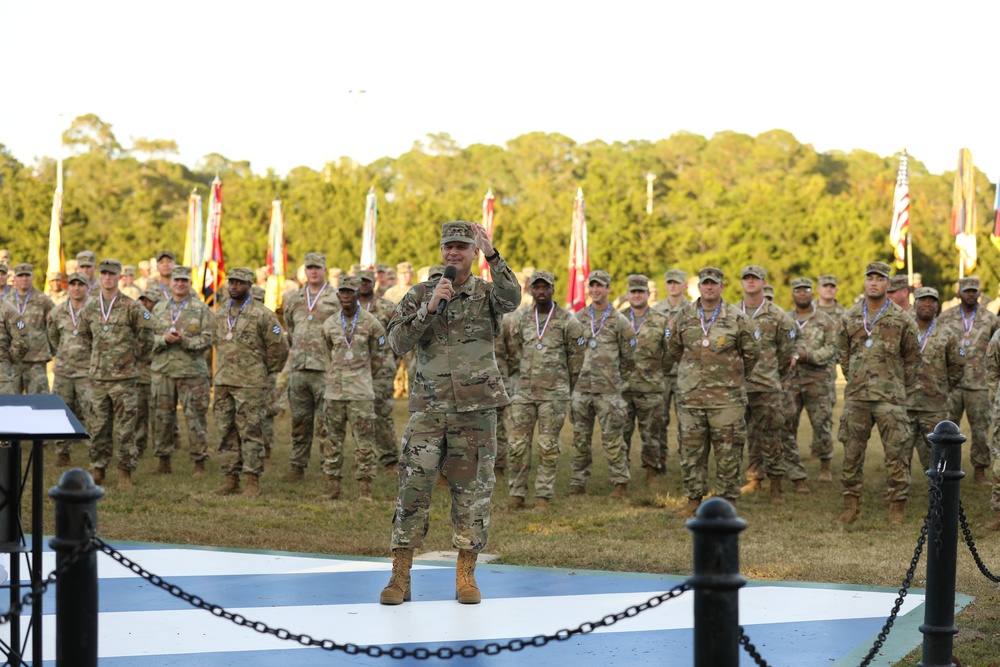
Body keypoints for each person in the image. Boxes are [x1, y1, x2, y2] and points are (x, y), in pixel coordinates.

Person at [380, 221, 519, 607]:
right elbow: (396, 341)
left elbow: (513, 298)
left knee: (472, 493)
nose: (454, 253)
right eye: (448, 247)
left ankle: (466, 576)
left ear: (473, 252)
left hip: (475, 412)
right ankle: (400, 576)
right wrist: (428, 309)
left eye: (462, 246)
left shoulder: (487, 293)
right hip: (428, 410)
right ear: (442, 251)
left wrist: (494, 254)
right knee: (412, 490)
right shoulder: (420, 293)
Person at [665, 267, 759, 518]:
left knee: (728, 451)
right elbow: (673, 349)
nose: (709, 287)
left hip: (726, 399)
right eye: (705, 283)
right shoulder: (683, 316)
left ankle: (728, 500)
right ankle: (693, 500)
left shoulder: (737, 318)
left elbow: (751, 353)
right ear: (699, 287)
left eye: (713, 283)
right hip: (691, 398)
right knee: (690, 451)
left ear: (722, 286)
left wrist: (732, 378)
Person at [834, 261, 919, 525]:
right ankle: (851, 506)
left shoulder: (901, 318)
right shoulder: (849, 317)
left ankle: (896, 507)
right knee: (851, 454)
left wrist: (895, 384)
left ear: (887, 283)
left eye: (879, 278)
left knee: (897, 454)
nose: (874, 282)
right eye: (870, 277)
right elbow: (843, 355)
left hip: (890, 398)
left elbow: (912, 358)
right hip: (857, 397)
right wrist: (856, 379)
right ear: (864, 282)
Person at [504, 270, 584, 510]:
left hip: (554, 394)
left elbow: (577, 358)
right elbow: (513, 350)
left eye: (545, 287)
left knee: (548, 447)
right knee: (517, 445)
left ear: (552, 290)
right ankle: (516, 494)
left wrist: (563, 383)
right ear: (530, 290)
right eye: (536, 287)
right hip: (524, 393)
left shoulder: (568, 320)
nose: (541, 291)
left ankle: (543, 496)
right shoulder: (519, 319)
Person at [213, 268, 289, 497]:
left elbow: (280, 348)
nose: (234, 286)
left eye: (239, 282)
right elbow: (216, 342)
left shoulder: (263, 314)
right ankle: (231, 478)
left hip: (251, 384)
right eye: (231, 282)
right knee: (226, 431)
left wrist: (265, 372)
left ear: (249, 285)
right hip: (224, 381)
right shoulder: (219, 313)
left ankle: (252, 481)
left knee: (250, 432)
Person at [77, 259, 153, 488]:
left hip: (125, 379)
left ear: (120, 276)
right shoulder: (90, 306)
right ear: (99, 277)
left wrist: (132, 360)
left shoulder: (132, 306)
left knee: (126, 427)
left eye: (112, 274)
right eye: (104, 273)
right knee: (98, 426)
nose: (108, 277)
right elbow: (84, 335)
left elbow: (147, 336)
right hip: (99, 378)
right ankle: (98, 469)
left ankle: (124, 472)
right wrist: (98, 359)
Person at [569, 270, 635, 498]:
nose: (595, 290)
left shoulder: (620, 321)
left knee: (613, 439)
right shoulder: (578, 318)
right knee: (580, 438)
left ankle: (620, 482)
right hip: (581, 390)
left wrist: (616, 381)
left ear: (608, 289)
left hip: (608, 391)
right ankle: (578, 481)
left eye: (600, 286)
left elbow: (629, 357)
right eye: (592, 286)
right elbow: (571, 352)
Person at [319, 275, 385, 500]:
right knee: (332, 441)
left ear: (358, 294)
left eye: (350, 292)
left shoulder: (371, 322)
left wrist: (365, 375)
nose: (346, 296)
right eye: (342, 292)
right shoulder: (329, 324)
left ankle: (365, 489)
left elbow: (380, 352)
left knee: (364, 442)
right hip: (334, 393)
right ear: (338, 295)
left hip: (361, 393)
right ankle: (331, 488)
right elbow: (327, 353)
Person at [736, 265, 796, 504]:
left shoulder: (778, 315)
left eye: (756, 278)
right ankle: (751, 479)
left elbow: (786, 353)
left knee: (771, 438)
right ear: (741, 283)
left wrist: (771, 374)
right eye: (747, 278)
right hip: (737, 388)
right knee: (737, 437)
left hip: (767, 387)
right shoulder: (731, 313)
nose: (751, 282)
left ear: (764, 282)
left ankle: (776, 487)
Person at [281, 253, 341, 481]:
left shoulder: (336, 298)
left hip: (325, 370)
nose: (313, 271)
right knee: (299, 421)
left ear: (325, 269)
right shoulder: (294, 298)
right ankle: (297, 466)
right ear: (304, 271)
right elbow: (289, 327)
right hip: (299, 369)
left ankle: (329, 467)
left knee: (327, 422)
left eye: (317, 267)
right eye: (309, 267)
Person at [150, 266, 214, 475]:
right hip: (164, 371)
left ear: (189, 284)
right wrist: (163, 339)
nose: (179, 284)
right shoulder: (159, 308)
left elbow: (208, 338)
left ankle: (199, 462)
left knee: (195, 418)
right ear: (170, 283)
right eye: (176, 280)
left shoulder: (201, 309)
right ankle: (163, 461)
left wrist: (185, 341)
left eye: (184, 281)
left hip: (192, 372)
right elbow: (146, 339)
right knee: (162, 418)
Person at [938, 276, 1000, 486]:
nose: (971, 294)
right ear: (959, 292)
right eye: (967, 290)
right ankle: (944, 468)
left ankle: (980, 470)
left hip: (979, 384)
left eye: (974, 290)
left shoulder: (990, 318)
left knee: (981, 429)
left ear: (979, 292)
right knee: (946, 427)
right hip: (952, 384)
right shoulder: (945, 318)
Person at [783, 278, 837, 483]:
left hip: (817, 379)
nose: (802, 294)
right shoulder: (785, 319)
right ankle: (791, 466)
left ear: (812, 293)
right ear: (793, 295)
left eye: (806, 290)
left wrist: (810, 357)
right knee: (787, 423)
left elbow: (832, 348)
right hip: (791, 380)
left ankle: (825, 465)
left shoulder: (825, 320)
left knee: (821, 422)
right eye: (798, 290)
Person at [905, 287, 964, 472]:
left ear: (937, 306)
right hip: (904, 404)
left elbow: (958, 364)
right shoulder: (903, 330)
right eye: (923, 300)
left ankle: (938, 494)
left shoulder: (947, 334)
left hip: (934, 406)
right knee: (899, 453)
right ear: (915, 303)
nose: (927, 304)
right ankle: (897, 496)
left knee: (936, 454)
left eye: (932, 301)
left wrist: (943, 387)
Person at [620, 274, 671, 485]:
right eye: (633, 292)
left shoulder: (661, 320)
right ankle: (620, 474)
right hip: (623, 388)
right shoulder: (617, 318)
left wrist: (656, 372)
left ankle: (652, 472)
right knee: (621, 434)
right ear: (628, 294)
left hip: (651, 387)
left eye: (641, 292)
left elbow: (669, 354)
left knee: (652, 434)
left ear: (648, 295)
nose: (637, 295)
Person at [358, 269, 400, 472]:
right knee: (360, 415)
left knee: (382, 413)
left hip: (382, 368)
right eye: (360, 281)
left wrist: (391, 361)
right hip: (355, 369)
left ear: (374, 283)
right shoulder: (346, 308)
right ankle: (365, 458)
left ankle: (390, 458)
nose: (363, 284)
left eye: (367, 281)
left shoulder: (386, 307)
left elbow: (397, 336)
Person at [47, 271, 90, 466]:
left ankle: (95, 454)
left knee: (92, 413)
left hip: (87, 371)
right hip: (63, 371)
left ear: (87, 287)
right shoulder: (58, 311)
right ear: (68, 287)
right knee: (60, 411)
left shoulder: (94, 311)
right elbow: (53, 337)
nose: (76, 288)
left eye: (80, 284)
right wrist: (63, 353)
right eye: (72, 284)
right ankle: (63, 453)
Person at [652, 269, 689, 475]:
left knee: (687, 422)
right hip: (662, 374)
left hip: (686, 374)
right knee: (659, 420)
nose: (673, 286)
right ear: (666, 285)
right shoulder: (656, 311)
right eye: (670, 282)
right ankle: (660, 462)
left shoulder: (693, 310)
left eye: (677, 282)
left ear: (684, 285)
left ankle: (687, 463)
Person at [6, 263, 54, 394]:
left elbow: (54, 328)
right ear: (14, 279)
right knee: (10, 402)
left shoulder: (44, 300)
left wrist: (51, 351)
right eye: (20, 275)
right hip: (12, 360)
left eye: (27, 275)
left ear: (32, 277)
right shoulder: (6, 301)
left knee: (40, 401)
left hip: (36, 360)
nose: (24, 278)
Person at [135, 288, 160, 459]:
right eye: (141, 300)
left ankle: (160, 449)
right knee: (137, 414)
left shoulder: (158, 321)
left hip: (154, 374)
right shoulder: (136, 319)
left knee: (157, 415)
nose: (144, 304)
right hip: (137, 374)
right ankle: (138, 446)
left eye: (148, 301)